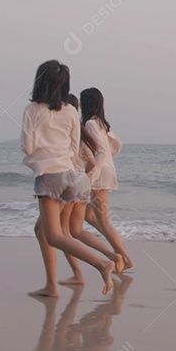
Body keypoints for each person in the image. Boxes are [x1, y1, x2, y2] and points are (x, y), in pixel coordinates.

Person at [23, 61, 114, 297]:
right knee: (52, 232)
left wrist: (42, 156)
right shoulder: (72, 111)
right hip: (73, 177)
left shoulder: (32, 110)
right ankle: (53, 284)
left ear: (39, 81)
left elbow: (28, 147)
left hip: (49, 176)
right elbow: (75, 148)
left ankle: (102, 264)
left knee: (54, 236)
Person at [56, 94, 125, 286]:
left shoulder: (83, 126)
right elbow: (108, 150)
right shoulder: (91, 127)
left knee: (64, 232)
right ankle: (114, 256)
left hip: (80, 180)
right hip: (86, 181)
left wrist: (91, 176)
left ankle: (118, 260)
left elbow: (96, 155)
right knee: (79, 227)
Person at [80, 87, 133, 271]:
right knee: (88, 216)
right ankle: (119, 249)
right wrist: (110, 161)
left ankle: (124, 257)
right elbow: (117, 144)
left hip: (99, 175)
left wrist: (92, 175)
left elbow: (101, 152)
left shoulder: (90, 124)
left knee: (104, 221)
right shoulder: (102, 123)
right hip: (106, 171)